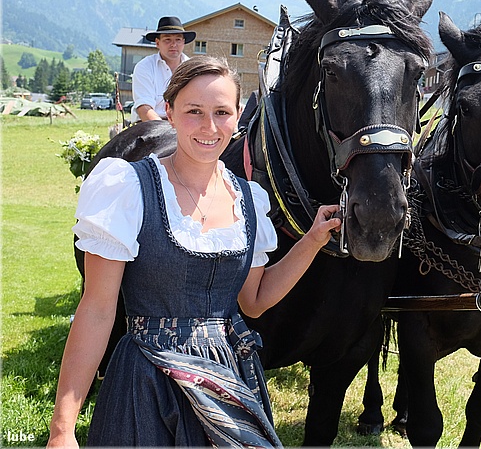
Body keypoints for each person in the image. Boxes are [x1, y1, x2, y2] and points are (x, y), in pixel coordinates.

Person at [47, 56, 341, 447]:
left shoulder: (249, 199)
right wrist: (63, 428)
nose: (209, 127)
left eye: (222, 112)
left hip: (228, 378)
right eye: (194, 111)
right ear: (169, 111)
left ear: (238, 116)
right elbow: (98, 310)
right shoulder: (129, 188)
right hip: (147, 380)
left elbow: (254, 301)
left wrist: (312, 240)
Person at [131, 16, 196, 123]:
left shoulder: (193, 69)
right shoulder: (145, 67)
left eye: (178, 40)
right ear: (157, 43)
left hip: (183, 126)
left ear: (183, 42)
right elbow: (144, 108)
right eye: (167, 40)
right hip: (148, 126)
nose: (173, 44)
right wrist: (165, 130)